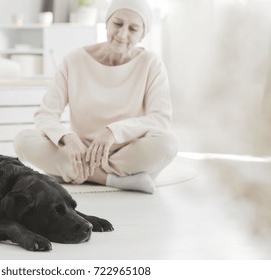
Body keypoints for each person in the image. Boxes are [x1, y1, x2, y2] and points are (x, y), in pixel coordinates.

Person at [14, 0, 178, 193]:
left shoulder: (151, 63)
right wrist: (68, 137)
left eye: (133, 29)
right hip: (79, 151)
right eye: (117, 24)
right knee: (23, 140)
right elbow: (45, 115)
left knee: (168, 143)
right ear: (107, 23)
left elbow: (160, 119)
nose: (122, 34)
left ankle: (69, 172)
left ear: (143, 34)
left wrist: (113, 132)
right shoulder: (74, 60)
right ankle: (113, 179)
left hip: (127, 150)